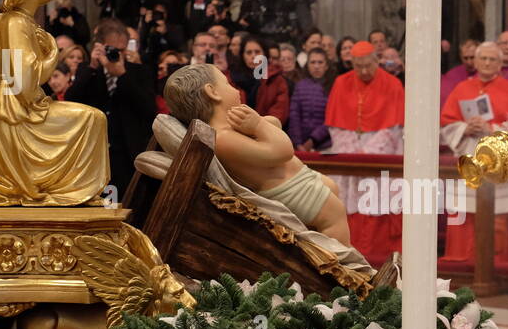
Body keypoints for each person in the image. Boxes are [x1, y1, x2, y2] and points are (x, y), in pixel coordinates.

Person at [165, 64, 348, 244]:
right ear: (213, 92)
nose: (234, 88)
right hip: (287, 190)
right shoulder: (223, 138)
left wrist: (260, 123)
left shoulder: (231, 129)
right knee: (334, 215)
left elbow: (274, 124)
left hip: (297, 180)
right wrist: (259, 126)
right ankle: (341, 267)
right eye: (227, 83)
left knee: (332, 188)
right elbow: (282, 151)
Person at [439, 41, 508, 264]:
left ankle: (498, 265)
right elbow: (446, 124)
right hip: (469, 158)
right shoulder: (462, 89)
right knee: (463, 213)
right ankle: (460, 261)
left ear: (501, 64)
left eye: (493, 59)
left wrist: (490, 129)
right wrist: (465, 128)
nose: (488, 63)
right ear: (476, 61)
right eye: (483, 58)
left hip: (500, 164)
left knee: (498, 218)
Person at [325, 40, 404, 263]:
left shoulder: (393, 84)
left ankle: (378, 258)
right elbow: (336, 126)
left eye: (368, 65)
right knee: (348, 206)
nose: (364, 71)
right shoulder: (341, 83)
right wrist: (353, 153)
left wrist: (367, 154)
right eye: (358, 66)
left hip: (381, 154)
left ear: (377, 60)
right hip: (349, 153)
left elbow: (394, 128)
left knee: (376, 205)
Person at [64, 17, 156, 197]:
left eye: (121, 50)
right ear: (99, 46)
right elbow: (70, 101)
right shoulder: (87, 70)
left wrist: (122, 75)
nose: (117, 55)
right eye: (112, 49)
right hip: (93, 156)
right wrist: (92, 66)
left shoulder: (140, 72)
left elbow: (148, 110)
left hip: (128, 155)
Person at [288, 48, 332, 151]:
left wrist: (313, 140)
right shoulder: (300, 86)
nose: (316, 66)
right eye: (313, 62)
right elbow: (294, 115)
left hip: (325, 144)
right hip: (300, 144)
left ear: (326, 66)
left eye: (320, 62)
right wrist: (298, 142)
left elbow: (332, 119)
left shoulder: (333, 86)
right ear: (307, 65)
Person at [241, 37, 291, 126]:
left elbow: (279, 113)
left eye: (257, 52)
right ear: (242, 55)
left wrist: (257, 127)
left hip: (266, 132)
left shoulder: (276, 80)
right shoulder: (233, 78)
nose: (253, 56)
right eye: (249, 52)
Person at [440, 39, 478, 104]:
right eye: (465, 58)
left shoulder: (487, 74)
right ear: (460, 57)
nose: (469, 62)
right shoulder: (452, 75)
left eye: (472, 57)